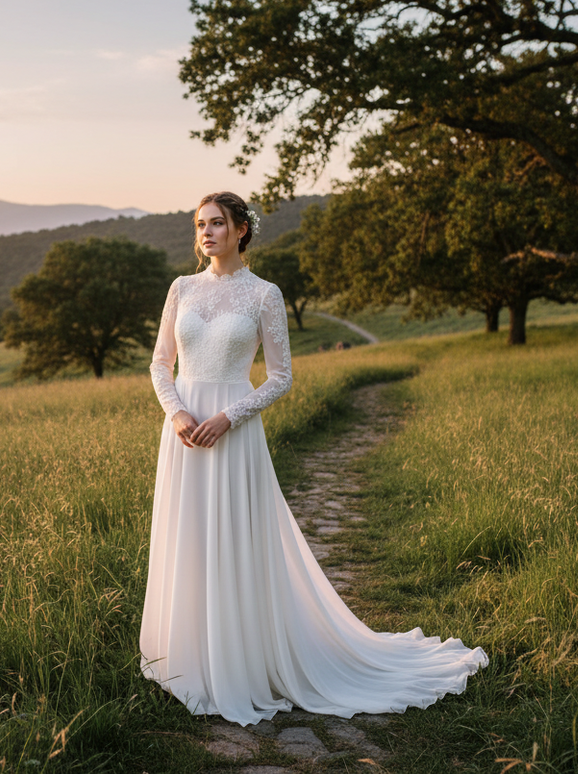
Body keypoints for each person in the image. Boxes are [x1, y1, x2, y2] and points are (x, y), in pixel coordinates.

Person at [140, 191, 487, 726]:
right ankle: (188, 659)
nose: (205, 233)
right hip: (184, 431)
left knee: (235, 541)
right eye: (200, 225)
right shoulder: (181, 288)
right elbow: (161, 364)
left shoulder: (264, 295)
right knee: (190, 536)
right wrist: (177, 412)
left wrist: (230, 417)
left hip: (234, 432)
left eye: (217, 224)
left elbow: (281, 376)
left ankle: (243, 661)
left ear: (241, 231)